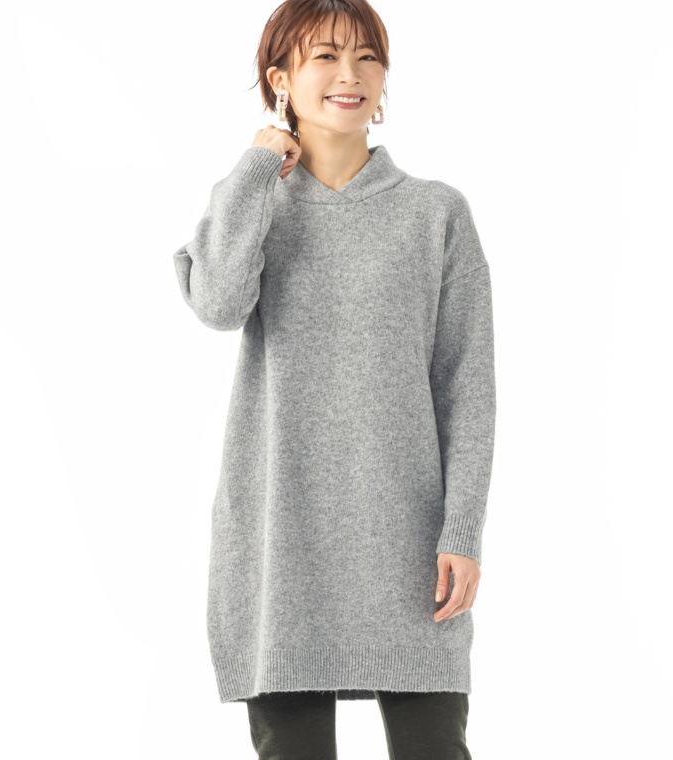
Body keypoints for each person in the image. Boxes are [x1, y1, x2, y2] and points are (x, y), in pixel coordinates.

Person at [172, 1, 496, 757]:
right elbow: (216, 304)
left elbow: (467, 386)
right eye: (324, 56)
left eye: (367, 57)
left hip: (409, 541)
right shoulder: (253, 206)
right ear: (280, 78)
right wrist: (257, 167)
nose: (350, 75)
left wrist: (462, 529)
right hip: (279, 537)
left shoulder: (436, 214)